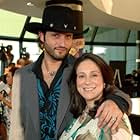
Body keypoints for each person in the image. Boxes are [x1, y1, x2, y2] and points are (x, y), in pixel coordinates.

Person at [9, 4, 131, 140]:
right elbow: (17, 126)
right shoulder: (22, 75)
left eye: (68, 36)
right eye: (56, 35)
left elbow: (116, 93)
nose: (63, 43)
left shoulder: (79, 70)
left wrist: (115, 102)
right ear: (42, 36)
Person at [60, 53, 132, 140]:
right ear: (75, 82)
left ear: (104, 81)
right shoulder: (82, 113)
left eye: (94, 75)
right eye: (81, 76)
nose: (87, 81)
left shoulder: (111, 118)